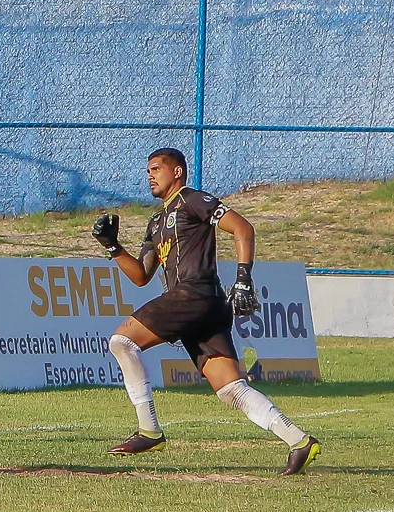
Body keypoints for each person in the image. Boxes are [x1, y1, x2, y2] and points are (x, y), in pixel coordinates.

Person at [91, 147, 320, 476]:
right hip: (204, 306)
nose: (150, 175)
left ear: (178, 172)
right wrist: (113, 246)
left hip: (193, 294)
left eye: (156, 168)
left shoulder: (192, 200)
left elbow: (243, 228)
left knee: (121, 342)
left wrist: (243, 278)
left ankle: (149, 431)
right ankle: (299, 441)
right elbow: (141, 276)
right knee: (231, 390)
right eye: (148, 170)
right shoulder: (156, 222)